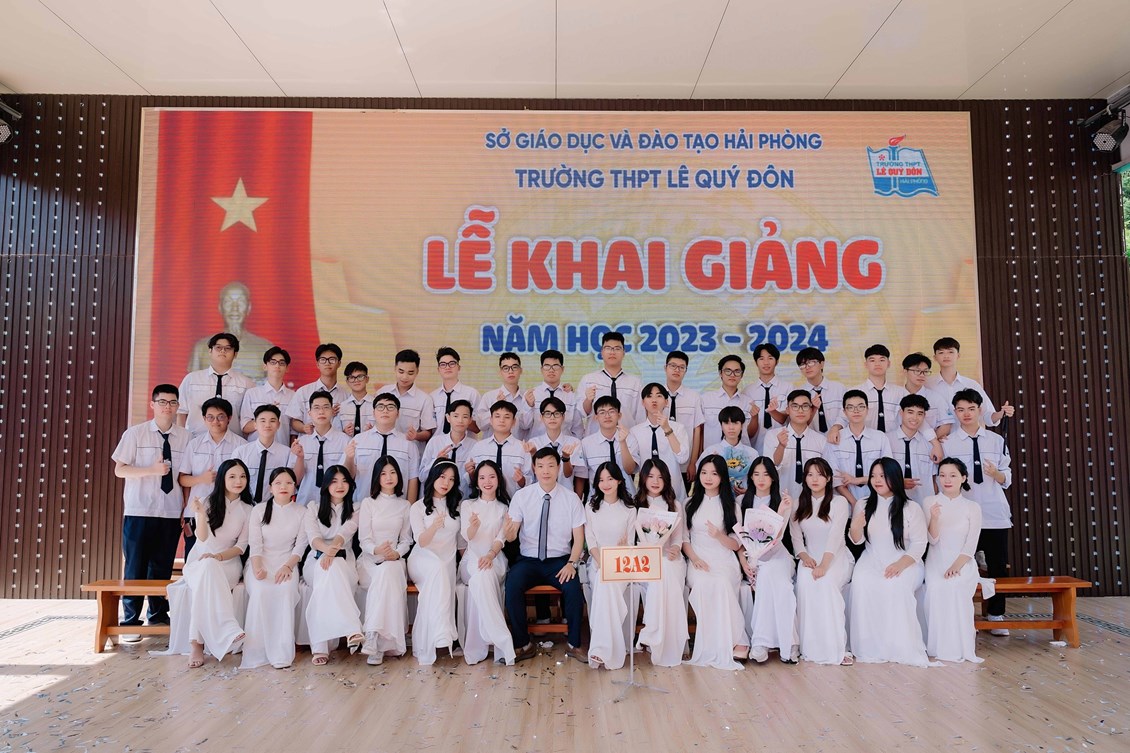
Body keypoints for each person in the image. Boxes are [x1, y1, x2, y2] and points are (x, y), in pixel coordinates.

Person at [112, 384, 191, 638]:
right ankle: (130, 620)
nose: (168, 407)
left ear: (178, 406)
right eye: (162, 402)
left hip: (170, 511)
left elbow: (185, 477)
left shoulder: (186, 437)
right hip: (140, 510)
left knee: (162, 566)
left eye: (172, 402)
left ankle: (157, 615)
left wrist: (185, 507)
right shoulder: (135, 434)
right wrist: (151, 471)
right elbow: (120, 469)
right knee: (135, 566)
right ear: (153, 404)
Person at [503, 448, 588, 664]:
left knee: (573, 589)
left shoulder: (571, 499)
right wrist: (509, 533)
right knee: (512, 585)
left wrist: (571, 563)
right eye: (540, 466)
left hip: (560, 561)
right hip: (528, 561)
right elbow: (512, 535)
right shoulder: (522, 496)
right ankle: (523, 644)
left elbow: (579, 538)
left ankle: (574, 644)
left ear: (558, 468)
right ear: (534, 468)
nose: (545, 471)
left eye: (550, 465)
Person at [847, 458, 934, 667]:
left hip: (906, 560)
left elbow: (919, 543)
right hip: (871, 558)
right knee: (861, 583)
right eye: (873, 476)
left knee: (894, 585)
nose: (877, 480)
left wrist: (900, 565)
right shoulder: (863, 504)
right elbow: (857, 540)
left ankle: (897, 645)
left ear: (894, 478)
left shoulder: (911, 507)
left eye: (883, 476)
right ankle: (868, 646)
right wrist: (855, 526)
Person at [941, 388, 1013, 633]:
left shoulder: (996, 441)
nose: (966, 414)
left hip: (994, 513)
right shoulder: (948, 443)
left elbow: (1007, 478)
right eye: (961, 409)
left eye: (971, 409)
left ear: (980, 410)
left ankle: (996, 615)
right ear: (954, 412)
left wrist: (996, 473)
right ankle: (962, 614)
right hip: (962, 516)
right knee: (961, 565)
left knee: (997, 566)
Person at [174, 458, 252, 668]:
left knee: (209, 571)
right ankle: (226, 630)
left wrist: (218, 557)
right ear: (222, 479)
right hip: (200, 560)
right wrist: (200, 514)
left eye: (242, 476)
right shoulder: (207, 502)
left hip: (228, 562)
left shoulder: (248, 510)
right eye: (232, 476)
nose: (238, 481)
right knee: (207, 568)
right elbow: (202, 539)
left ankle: (196, 644)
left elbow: (241, 547)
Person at [683, 455, 748, 670]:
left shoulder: (732, 506)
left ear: (722, 477)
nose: (708, 478)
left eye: (714, 473)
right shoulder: (689, 504)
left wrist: (719, 535)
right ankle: (713, 643)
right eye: (704, 473)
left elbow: (736, 544)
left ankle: (738, 639)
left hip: (724, 559)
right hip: (698, 558)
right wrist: (695, 559)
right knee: (703, 583)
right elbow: (684, 539)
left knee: (721, 582)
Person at [241, 467, 307, 670]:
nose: (283, 487)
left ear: (295, 486)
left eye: (288, 483)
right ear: (270, 487)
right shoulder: (259, 510)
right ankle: (258, 650)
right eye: (278, 483)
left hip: (287, 563)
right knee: (261, 591)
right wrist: (257, 568)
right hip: (260, 562)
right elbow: (255, 544)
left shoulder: (302, 512)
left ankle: (281, 651)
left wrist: (288, 566)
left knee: (285, 591)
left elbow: (300, 546)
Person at [789, 458, 854, 666]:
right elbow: (796, 538)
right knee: (806, 583)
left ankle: (837, 647)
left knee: (826, 583)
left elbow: (836, 537)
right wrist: (805, 557)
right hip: (809, 557)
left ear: (828, 478)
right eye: (810, 474)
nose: (814, 479)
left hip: (836, 557)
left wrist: (824, 565)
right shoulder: (798, 504)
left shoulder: (839, 503)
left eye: (819, 474)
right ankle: (811, 646)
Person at [922, 458, 984, 663]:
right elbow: (932, 540)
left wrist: (956, 566)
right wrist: (934, 518)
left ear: (963, 478)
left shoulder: (972, 507)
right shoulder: (929, 502)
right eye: (942, 475)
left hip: (962, 561)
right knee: (936, 588)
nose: (947, 480)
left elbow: (971, 544)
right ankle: (937, 646)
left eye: (952, 475)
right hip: (936, 560)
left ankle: (959, 645)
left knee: (955, 587)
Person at [738, 458, 798, 664]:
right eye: (756, 474)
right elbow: (739, 538)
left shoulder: (783, 501)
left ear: (773, 477)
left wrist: (780, 512)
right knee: (765, 577)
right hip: (752, 558)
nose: (761, 479)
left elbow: (776, 538)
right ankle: (763, 642)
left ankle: (784, 643)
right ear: (750, 477)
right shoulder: (742, 501)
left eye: (765, 474)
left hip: (778, 555)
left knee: (780, 584)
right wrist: (745, 562)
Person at [302, 466, 363, 665]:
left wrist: (332, 551)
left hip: (344, 561)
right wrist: (327, 551)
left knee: (331, 570)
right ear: (326, 484)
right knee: (325, 570)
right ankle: (352, 628)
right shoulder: (313, 507)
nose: (340, 485)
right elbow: (313, 538)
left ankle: (320, 647)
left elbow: (346, 532)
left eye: (344, 481)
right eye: (334, 481)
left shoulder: (356, 508)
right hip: (315, 560)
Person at [458, 460, 517, 666]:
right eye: (482, 477)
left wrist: (490, 555)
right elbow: (467, 536)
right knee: (480, 574)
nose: (487, 481)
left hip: (495, 558)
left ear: (498, 480)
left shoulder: (504, 508)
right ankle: (501, 640)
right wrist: (473, 527)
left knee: (482, 576)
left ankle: (485, 641)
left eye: (491, 476)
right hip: (471, 559)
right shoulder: (468, 505)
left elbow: (501, 538)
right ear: (476, 482)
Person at [356, 456, 413, 665]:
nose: (389, 477)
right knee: (383, 574)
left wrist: (396, 553)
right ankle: (377, 642)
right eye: (383, 473)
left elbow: (407, 539)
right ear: (377, 478)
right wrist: (377, 550)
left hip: (394, 561)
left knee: (388, 571)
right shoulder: (368, 503)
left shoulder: (405, 505)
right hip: (369, 561)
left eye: (393, 472)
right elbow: (364, 539)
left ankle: (373, 637)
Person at [633, 459, 689, 667]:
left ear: (666, 479)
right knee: (658, 570)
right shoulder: (635, 504)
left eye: (660, 477)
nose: (655, 481)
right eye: (650, 476)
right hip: (644, 560)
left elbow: (679, 538)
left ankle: (655, 633)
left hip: (671, 559)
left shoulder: (675, 505)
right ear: (643, 479)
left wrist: (675, 549)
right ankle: (654, 633)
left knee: (664, 568)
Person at [584, 462, 638, 670]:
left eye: (610, 479)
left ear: (619, 481)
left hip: (622, 563)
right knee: (603, 579)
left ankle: (601, 649)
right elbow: (591, 542)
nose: (605, 483)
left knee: (607, 582)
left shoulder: (629, 509)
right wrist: (602, 562)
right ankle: (608, 649)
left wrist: (621, 552)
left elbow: (630, 542)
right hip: (598, 562)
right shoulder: (591, 507)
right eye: (601, 480)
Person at [177, 397, 246, 557]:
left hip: (229, 511)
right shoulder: (194, 444)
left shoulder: (241, 445)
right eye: (210, 417)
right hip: (197, 510)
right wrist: (201, 479)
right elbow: (182, 479)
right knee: (194, 559)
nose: (215, 421)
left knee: (224, 558)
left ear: (229, 418)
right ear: (204, 419)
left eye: (220, 417)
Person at [408, 462, 462, 665]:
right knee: (437, 570)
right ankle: (441, 634)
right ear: (433, 477)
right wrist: (434, 527)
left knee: (441, 575)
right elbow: (421, 541)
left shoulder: (457, 507)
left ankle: (432, 640)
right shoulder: (418, 507)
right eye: (442, 477)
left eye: (451, 479)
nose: (446, 482)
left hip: (447, 561)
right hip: (422, 559)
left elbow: (461, 543)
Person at [188, 282, 275, 380]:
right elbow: (191, 386)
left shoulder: (266, 348)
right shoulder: (201, 348)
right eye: (228, 302)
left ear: (249, 308)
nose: (235, 308)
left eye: (241, 302)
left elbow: (272, 386)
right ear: (220, 307)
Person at [177, 333, 256, 436]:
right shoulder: (191, 379)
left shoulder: (246, 383)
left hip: (233, 442)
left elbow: (250, 419)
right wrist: (181, 439)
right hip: (196, 439)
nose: (223, 351)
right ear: (210, 351)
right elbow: (181, 412)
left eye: (228, 348)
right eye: (218, 347)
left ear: (235, 354)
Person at [824, 390, 894, 503]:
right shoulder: (835, 439)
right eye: (850, 407)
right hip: (845, 503)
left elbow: (888, 473)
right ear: (844, 412)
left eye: (861, 406)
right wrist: (854, 503)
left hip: (877, 500)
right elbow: (834, 478)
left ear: (867, 410)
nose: (856, 411)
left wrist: (857, 480)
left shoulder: (880, 438)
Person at [929, 337, 1015, 428]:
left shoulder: (971, 385)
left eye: (950, 352)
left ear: (958, 355)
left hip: (968, 436)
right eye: (941, 352)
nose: (946, 356)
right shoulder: (928, 385)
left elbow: (987, 416)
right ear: (935, 357)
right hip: (937, 436)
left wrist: (1001, 414)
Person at [350, 392, 420, 503]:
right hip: (363, 504)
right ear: (373, 413)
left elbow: (413, 479)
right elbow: (347, 474)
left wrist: (410, 507)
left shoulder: (408, 444)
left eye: (390, 407)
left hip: (398, 507)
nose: (385, 411)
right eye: (380, 407)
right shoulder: (358, 440)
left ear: (398, 413)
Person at [628, 383, 691, 498]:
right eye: (649, 396)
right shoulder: (635, 431)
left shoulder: (678, 428)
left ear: (666, 402)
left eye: (659, 396)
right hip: (646, 494)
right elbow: (633, 468)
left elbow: (682, 458)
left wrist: (667, 429)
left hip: (674, 489)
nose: (654, 400)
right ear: (643, 402)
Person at [765, 389, 828, 501]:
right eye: (795, 406)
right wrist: (781, 446)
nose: (800, 410)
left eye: (805, 406)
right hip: (779, 499)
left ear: (811, 410)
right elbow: (770, 468)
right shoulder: (772, 435)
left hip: (810, 502)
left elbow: (825, 474)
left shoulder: (821, 440)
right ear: (787, 410)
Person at [232, 405, 300, 506]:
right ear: (255, 425)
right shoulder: (241, 452)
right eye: (262, 421)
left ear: (278, 425)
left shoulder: (287, 453)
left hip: (274, 507)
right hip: (244, 506)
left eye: (272, 421)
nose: (267, 425)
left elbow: (294, 481)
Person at [291, 391, 351, 506]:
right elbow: (295, 480)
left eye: (326, 407)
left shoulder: (345, 441)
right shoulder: (301, 443)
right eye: (316, 408)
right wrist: (300, 458)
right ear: (309, 413)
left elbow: (348, 476)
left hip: (335, 504)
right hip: (305, 503)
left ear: (332, 411)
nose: (321, 412)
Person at [574, 396, 639, 497]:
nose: (607, 416)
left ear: (619, 415)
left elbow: (630, 470)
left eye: (611, 411)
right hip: (597, 500)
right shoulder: (586, 443)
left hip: (627, 498)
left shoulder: (630, 439)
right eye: (602, 412)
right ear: (596, 417)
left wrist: (623, 443)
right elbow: (581, 476)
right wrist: (578, 501)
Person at [579, 331, 643, 432]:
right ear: (601, 352)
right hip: (596, 437)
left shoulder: (635, 382)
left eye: (617, 348)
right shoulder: (588, 380)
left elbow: (640, 416)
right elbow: (581, 413)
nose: (612, 352)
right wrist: (588, 400)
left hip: (627, 436)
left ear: (623, 353)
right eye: (608, 348)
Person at [466, 400, 531, 497]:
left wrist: (521, 480)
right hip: (485, 501)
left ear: (514, 422)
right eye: (497, 416)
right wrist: (471, 473)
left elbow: (530, 480)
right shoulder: (479, 447)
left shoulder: (522, 448)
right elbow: (469, 480)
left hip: (513, 501)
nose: (502, 420)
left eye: (507, 417)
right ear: (491, 420)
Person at [240, 346, 296, 447]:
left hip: (282, 451)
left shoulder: (293, 396)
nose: (277, 366)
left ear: (287, 368)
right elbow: (245, 427)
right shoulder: (252, 394)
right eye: (273, 362)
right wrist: (266, 416)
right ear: (265, 366)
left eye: (281, 363)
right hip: (255, 450)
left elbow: (294, 431)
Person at [418, 398, 476, 497]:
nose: (460, 420)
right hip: (435, 499)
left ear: (470, 420)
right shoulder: (435, 442)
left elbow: (477, 483)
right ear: (448, 418)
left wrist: (472, 474)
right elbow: (422, 477)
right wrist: (436, 462)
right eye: (456, 416)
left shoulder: (475, 446)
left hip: (463, 500)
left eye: (465, 417)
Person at [286, 343, 347, 435]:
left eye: (332, 359)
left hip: (337, 443)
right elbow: (294, 421)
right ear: (317, 364)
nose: (327, 363)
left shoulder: (346, 395)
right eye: (323, 360)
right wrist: (304, 428)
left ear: (339, 363)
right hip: (309, 442)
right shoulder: (303, 392)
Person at [887, 394, 937, 506]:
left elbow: (934, 479)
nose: (915, 418)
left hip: (923, 504)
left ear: (924, 416)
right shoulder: (886, 440)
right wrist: (898, 482)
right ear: (901, 412)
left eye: (920, 413)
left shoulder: (930, 445)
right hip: (893, 504)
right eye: (910, 412)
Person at [663, 350, 705, 482]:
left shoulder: (694, 397)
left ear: (686, 371)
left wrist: (693, 463)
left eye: (682, 367)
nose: (677, 370)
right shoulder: (656, 395)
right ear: (665, 368)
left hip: (685, 463)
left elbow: (697, 431)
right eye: (673, 366)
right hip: (661, 461)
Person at [475, 352, 535, 440]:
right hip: (493, 447)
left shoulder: (527, 397)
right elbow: (480, 425)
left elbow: (525, 426)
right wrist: (496, 406)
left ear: (521, 370)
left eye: (514, 367)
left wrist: (529, 406)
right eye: (506, 368)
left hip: (518, 447)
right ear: (500, 372)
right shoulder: (489, 396)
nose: (510, 371)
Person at [701, 407, 759, 498]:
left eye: (735, 423)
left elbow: (758, 479)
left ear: (742, 426)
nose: (731, 427)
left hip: (745, 499)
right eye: (726, 423)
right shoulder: (710, 452)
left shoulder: (752, 453)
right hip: (718, 499)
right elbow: (700, 476)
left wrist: (749, 492)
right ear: (721, 426)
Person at [525, 349, 583, 439]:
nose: (551, 370)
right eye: (547, 366)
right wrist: (529, 406)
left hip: (565, 446)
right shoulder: (531, 395)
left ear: (562, 369)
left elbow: (578, 429)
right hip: (538, 446)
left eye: (555, 366)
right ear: (541, 369)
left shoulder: (570, 396)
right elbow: (524, 425)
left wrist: (573, 445)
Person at [701, 355, 756, 449]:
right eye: (728, 371)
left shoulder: (748, 402)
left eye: (737, 371)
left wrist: (755, 417)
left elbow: (750, 434)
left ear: (742, 375)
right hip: (712, 454)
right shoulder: (706, 399)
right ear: (720, 373)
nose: (732, 375)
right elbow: (700, 431)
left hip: (740, 456)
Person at [524, 396, 580, 487]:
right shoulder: (533, 443)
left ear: (563, 417)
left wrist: (566, 458)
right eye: (548, 414)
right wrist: (533, 453)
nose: (552, 417)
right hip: (540, 493)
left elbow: (568, 474)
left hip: (566, 493)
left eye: (556, 413)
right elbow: (534, 473)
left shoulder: (574, 443)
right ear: (541, 417)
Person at [388, 349, 438, 452]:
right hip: (386, 449)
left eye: (410, 373)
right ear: (395, 368)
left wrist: (416, 435)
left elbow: (428, 432)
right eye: (401, 371)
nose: (404, 377)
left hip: (410, 452)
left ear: (417, 372)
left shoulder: (425, 399)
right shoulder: (382, 393)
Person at [746, 343, 792, 446]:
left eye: (770, 358)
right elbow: (747, 432)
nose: (766, 363)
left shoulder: (788, 388)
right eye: (761, 358)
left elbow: (786, 419)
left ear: (777, 361)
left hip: (782, 446)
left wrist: (773, 411)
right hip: (755, 447)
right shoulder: (747, 392)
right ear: (756, 362)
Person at [429, 347, 482, 436]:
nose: (447, 367)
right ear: (438, 369)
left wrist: (461, 418)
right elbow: (429, 429)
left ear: (459, 367)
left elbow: (478, 428)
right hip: (438, 443)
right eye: (443, 364)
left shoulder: (472, 394)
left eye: (452, 363)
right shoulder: (432, 397)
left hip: (465, 444)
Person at [901, 353, 952, 440]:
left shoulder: (936, 398)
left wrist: (928, 443)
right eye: (917, 371)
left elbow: (946, 425)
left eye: (925, 371)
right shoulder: (896, 395)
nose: (922, 375)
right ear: (905, 371)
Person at [795, 347, 845, 434]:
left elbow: (846, 414)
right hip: (810, 440)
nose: (807, 367)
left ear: (822, 364)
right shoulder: (798, 394)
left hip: (838, 437)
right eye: (802, 364)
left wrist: (836, 427)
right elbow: (797, 423)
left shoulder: (839, 388)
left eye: (811, 362)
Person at [338, 361, 374, 438]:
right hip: (348, 444)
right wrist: (343, 432)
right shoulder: (342, 407)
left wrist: (374, 431)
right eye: (352, 377)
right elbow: (335, 434)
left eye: (360, 376)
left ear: (367, 379)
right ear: (347, 382)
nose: (356, 380)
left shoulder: (376, 405)